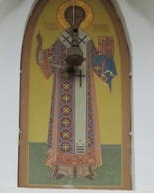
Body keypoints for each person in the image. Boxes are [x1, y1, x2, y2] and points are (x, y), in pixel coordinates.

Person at [35, 4, 117, 181]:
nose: (75, 20)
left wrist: (107, 59)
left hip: (84, 91)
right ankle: (61, 168)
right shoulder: (62, 39)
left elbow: (97, 62)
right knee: (63, 127)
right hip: (63, 92)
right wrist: (40, 47)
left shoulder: (87, 40)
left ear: (82, 19)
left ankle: (86, 169)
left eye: (78, 17)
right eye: (71, 17)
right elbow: (47, 59)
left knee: (85, 128)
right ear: (66, 19)